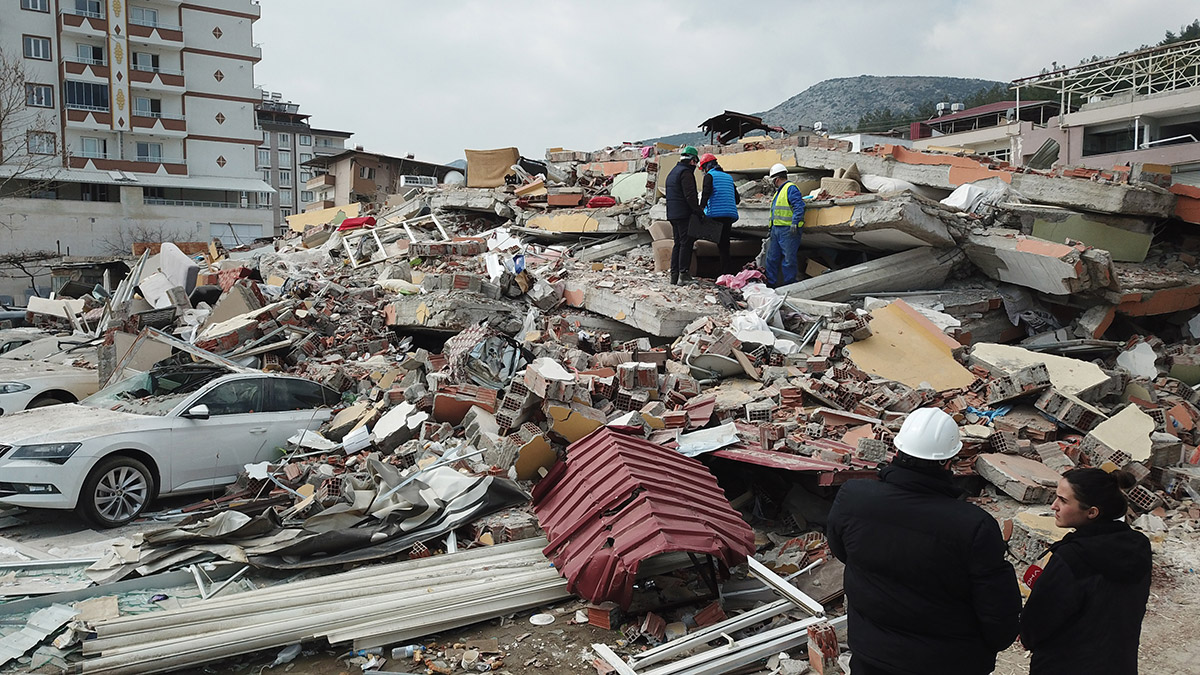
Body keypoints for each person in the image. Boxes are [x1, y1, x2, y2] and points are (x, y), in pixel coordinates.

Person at [827, 408, 1021, 675]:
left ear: (897, 451)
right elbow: (998, 612)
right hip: (947, 663)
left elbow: (841, 551)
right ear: (948, 462)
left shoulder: (853, 497)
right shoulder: (974, 525)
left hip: (872, 654)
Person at [1020, 468, 1151, 675]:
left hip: (1064, 665)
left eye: (1063, 501)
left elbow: (1038, 620)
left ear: (1092, 512)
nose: (1054, 506)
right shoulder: (1138, 547)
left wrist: (1027, 636)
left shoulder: (1072, 558)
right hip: (1118, 664)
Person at [664, 146, 704, 286]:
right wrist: (699, 211)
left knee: (678, 244)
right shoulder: (686, 173)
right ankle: (684, 274)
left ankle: (674, 276)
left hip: (673, 214)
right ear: (692, 161)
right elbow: (690, 196)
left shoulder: (673, 172)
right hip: (683, 214)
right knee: (686, 244)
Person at [762, 163, 806, 287]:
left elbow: (799, 207)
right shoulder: (779, 192)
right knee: (772, 259)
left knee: (788, 260)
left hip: (788, 230)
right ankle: (771, 284)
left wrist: (795, 223)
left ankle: (789, 285)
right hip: (777, 229)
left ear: (776, 179)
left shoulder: (791, 188)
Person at [699, 153, 741, 276]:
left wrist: (701, 209)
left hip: (715, 215)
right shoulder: (728, 178)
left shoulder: (709, 176)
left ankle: (713, 272)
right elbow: (737, 199)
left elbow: (706, 194)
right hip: (729, 215)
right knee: (724, 246)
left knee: (704, 238)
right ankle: (727, 273)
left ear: (707, 166)